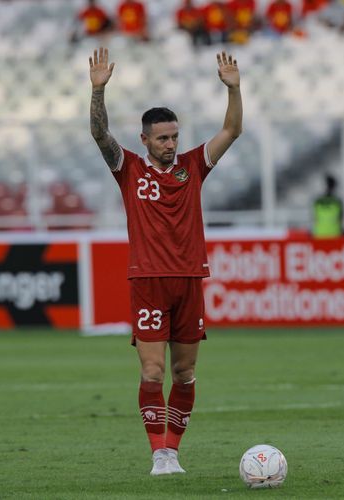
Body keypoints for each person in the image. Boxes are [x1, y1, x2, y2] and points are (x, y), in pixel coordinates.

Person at [88, 47, 242, 475]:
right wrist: (98, 92)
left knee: (185, 372)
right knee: (153, 371)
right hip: (148, 280)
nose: (171, 144)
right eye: (162, 138)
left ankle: (174, 449)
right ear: (145, 140)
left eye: (174, 136)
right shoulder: (129, 169)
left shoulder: (193, 165)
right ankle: (159, 454)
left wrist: (234, 89)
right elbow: (100, 135)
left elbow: (232, 129)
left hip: (190, 278)